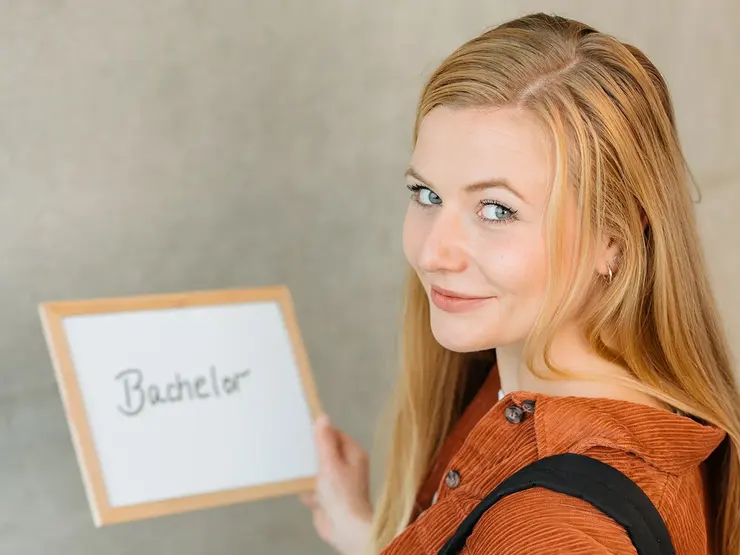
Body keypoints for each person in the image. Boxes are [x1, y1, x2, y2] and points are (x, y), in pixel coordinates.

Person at [300, 12, 740, 555]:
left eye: (495, 209)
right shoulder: (511, 384)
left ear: (615, 236)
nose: (433, 253)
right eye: (428, 196)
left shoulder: (552, 532)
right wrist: (368, 535)